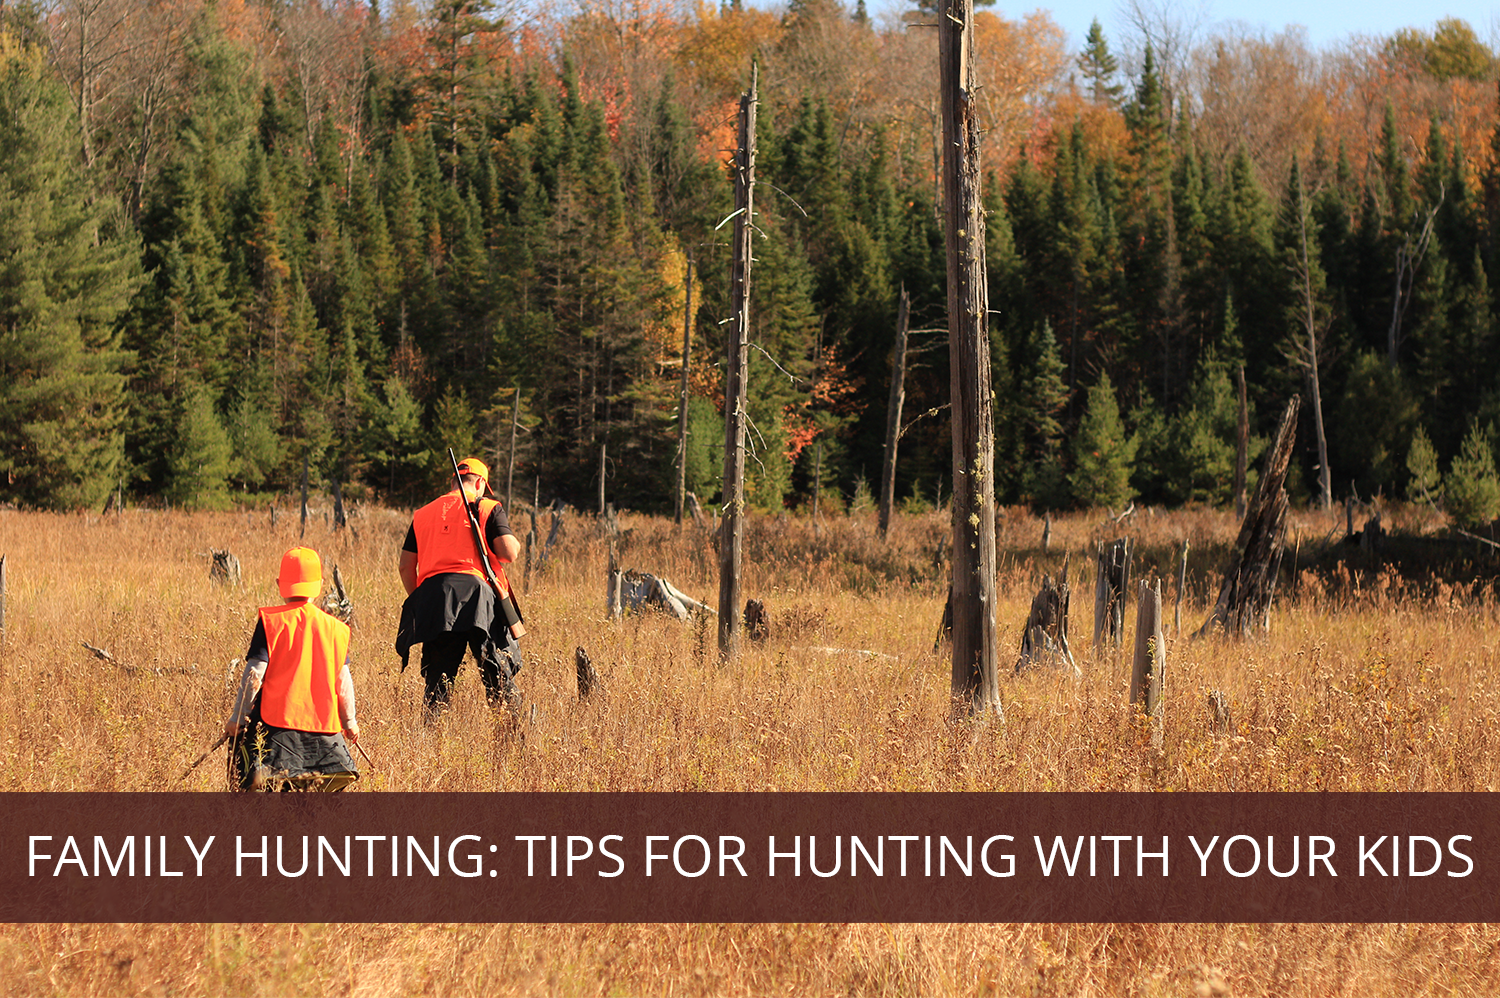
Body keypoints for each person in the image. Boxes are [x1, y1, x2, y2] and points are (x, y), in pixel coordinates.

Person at [396, 456, 524, 716]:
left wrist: (424, 602)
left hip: (435, 597)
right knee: (497, 672)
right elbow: (509, 553)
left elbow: (405, 566)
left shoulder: (423, 513)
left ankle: (431, 740)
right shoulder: (487, 506)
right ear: (479, 482)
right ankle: (512, 731)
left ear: (453, 482)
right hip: (478, 597)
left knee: (437, 683)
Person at [225, 546, 359, 790]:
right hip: (325, 735)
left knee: (248, 777)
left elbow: (255, 673)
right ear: (319, 584)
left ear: (279, 583)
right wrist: (350, 722)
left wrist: (237, 718)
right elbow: (343, 681)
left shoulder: (271, 622)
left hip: (276, 730)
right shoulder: (336, 629)